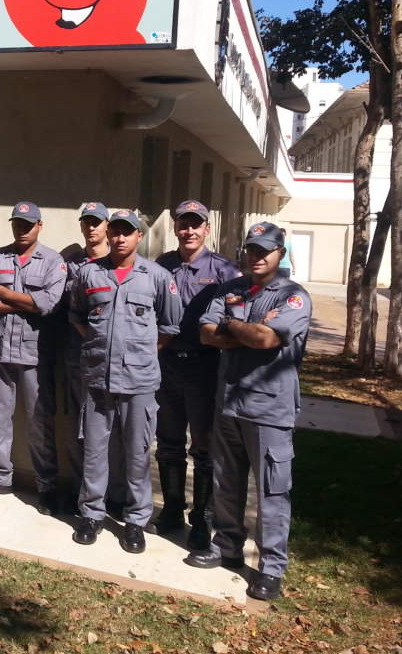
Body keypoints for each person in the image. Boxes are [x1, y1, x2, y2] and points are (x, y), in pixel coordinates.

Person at [186, 222, 312, 602]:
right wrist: (245, 330)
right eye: (251, 250)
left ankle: (271, 568)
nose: (256, 257)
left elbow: (267, 339)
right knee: (228, 481)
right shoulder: (231, 289)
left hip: (269, 410)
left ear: (280, 253)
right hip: (230, 404)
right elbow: (206, 333)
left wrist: (233, 324)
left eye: (265, 250)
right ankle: (227, 547)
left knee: (273, 492)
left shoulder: (292, 297)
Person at [69, 209, 182, 553]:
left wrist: (142, 352)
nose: (119, 238)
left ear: (139, 236)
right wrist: (96, 343)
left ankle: (135, 521)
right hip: (98, 376)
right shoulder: (89, 273)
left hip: (139, 380)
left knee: (136, 453)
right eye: (115, 231)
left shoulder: (157, 277)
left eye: (127, 232)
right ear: (108, 233)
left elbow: (170, 325)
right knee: (94, 449)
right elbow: (76, 314)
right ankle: (91, 514)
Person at [153, 200, 240, 551]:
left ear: (206, 229)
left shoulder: (223, 270)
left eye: (196, 225)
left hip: (205, 366)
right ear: (175, 228)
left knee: (204, 446)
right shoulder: (162, 265)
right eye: (183, 224)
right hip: (168, 364)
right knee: (169, 440)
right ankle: (173, 507)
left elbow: (237, 314)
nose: (189, 231)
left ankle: (202, 518)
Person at [0, 202, 67, 511]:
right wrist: (25, 302)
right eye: (18, 224)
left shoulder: (53, 261)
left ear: (40, 226)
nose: (22, 229)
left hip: (34, 354)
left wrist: (6, 294)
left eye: (28, 224)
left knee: (39, 422)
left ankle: (47, 485)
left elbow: (48, 304)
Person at [58, 202, 111, 514]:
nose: (91, 228)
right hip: (74, 358)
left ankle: (109, 494)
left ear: (106, 226)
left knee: (106, 432)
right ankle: (80, 492)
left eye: (97, 222)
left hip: (108, 362)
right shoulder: (71, 261)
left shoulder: (116, 260)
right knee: (75, 428)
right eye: (86, 222)